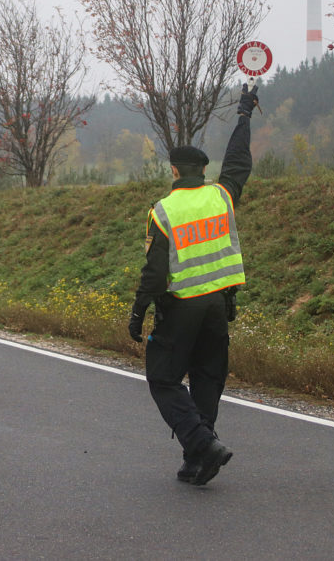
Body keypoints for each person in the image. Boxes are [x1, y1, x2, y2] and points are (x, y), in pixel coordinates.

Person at [128, 83, 256, 486]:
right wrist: (244, 116)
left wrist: (137, 312)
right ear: (203, 171)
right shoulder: (222, 196)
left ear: (173, 171)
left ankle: (203, 443)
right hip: (219, 307)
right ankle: (196, 460)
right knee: (206, 379)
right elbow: (238, 163)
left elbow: (154, 273)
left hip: (182, 308)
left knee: (163, 379)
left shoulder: (163, 211)